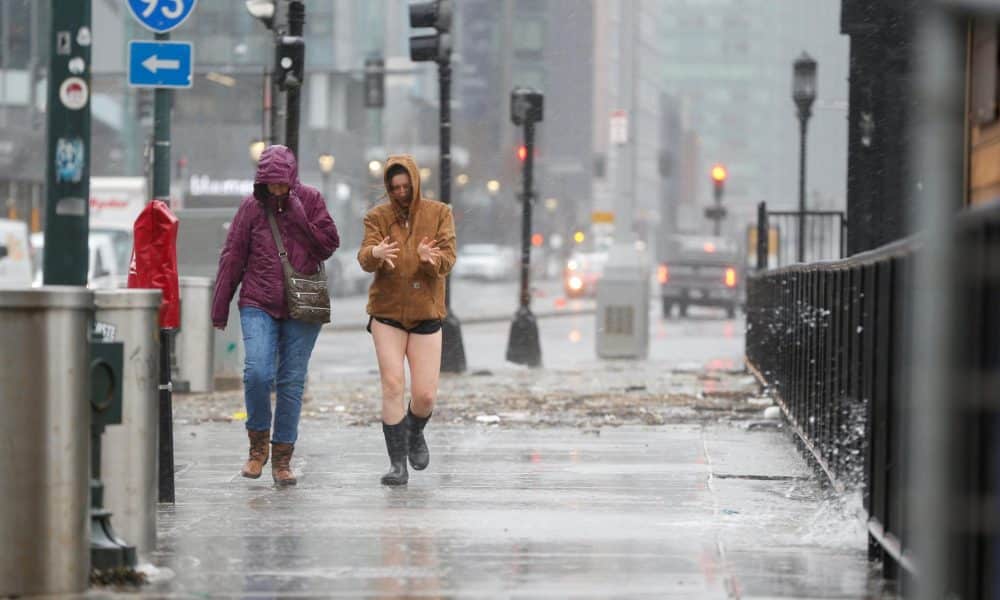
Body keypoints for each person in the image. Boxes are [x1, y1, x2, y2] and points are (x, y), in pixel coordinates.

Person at [212, 144, 339, 486]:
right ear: (261, 182)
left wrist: (298, 214)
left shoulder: (310, 200)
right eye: (271, 183)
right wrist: (220, 306)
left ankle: (282, 459)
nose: (277, 189)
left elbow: (328, 245)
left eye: (283, 183)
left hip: (303, 304)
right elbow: (232, 258)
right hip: (258, 301)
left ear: (293, 179)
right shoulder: (251, 208)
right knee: (257, 372)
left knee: (291, 383)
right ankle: (257, 448)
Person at [358, 155, 456, 486]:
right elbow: (364, 257)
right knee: (393, 384)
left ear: (415, 183)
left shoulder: (439, 213)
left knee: (425, 395)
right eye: (394, 187)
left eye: (405, 186)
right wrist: (375, 255)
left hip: (426, 312)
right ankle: (397, 464)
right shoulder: (377, 217)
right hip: (387, 313)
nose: (400, 193)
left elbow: (448, 260)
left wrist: (431, 260)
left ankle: (414, 432)